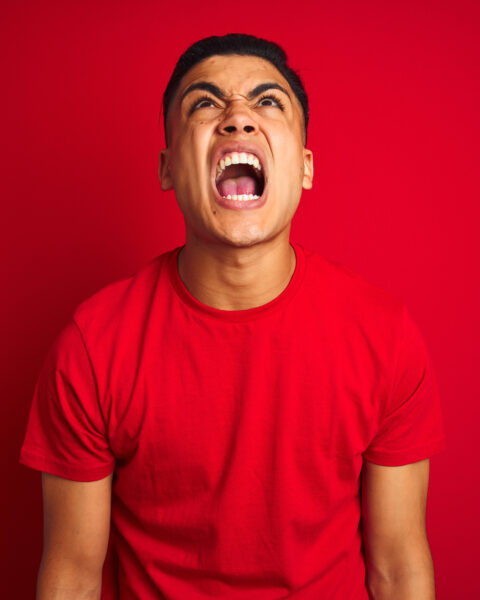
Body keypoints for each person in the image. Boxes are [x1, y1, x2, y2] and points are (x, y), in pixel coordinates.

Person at [20, 33, 446, 600]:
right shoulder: (93, 343)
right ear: (169, 167)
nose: (238, 119)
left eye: (267, 103)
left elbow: (398, 566)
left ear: (306, 168)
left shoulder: (385, 335)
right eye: (205, 103)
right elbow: (71, 576)